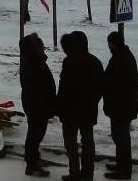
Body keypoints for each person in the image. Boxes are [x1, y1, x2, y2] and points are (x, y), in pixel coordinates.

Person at [57, 31, 105, 181]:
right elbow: (101, 87)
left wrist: (59, 106)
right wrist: (92, 101)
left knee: (71, 143)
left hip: (70, 111)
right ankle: (87, 173)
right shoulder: (95, 62)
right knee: (87, 142)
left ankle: (74, 172)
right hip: (88, 110)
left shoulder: (69, 62)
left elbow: (64, 87)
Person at [103, 32, 138, 180]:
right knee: (119, 138)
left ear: (114, 44)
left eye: (110, 43)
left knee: (122, 139)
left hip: (121, 107)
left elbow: (116, 85)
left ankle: (124, 170)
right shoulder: (122, 56)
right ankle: (121, 164)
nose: (109, 46)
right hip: (121, 106)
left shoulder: (122, 59)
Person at [19, 33, 56, 178]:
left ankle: (33, 159)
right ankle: (32, 163)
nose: (43, 50)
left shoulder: (34, 61)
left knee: (36, 134)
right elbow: (39, 89)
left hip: (38, 105)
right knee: (35, 134)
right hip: (37, 106)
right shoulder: (33, 65)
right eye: (41, 47)